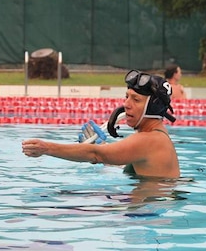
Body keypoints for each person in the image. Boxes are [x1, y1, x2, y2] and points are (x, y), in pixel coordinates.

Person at [22, 70, 180, 179]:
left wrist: (46, 148)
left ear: (154, 107)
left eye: (136, 100)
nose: (126, 104)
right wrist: (105, 149)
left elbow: (95, 154)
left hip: (145, 215)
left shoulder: (149, 140)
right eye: (127, 97)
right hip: (147, 211)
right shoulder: (154, 136)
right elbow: (123, 161)